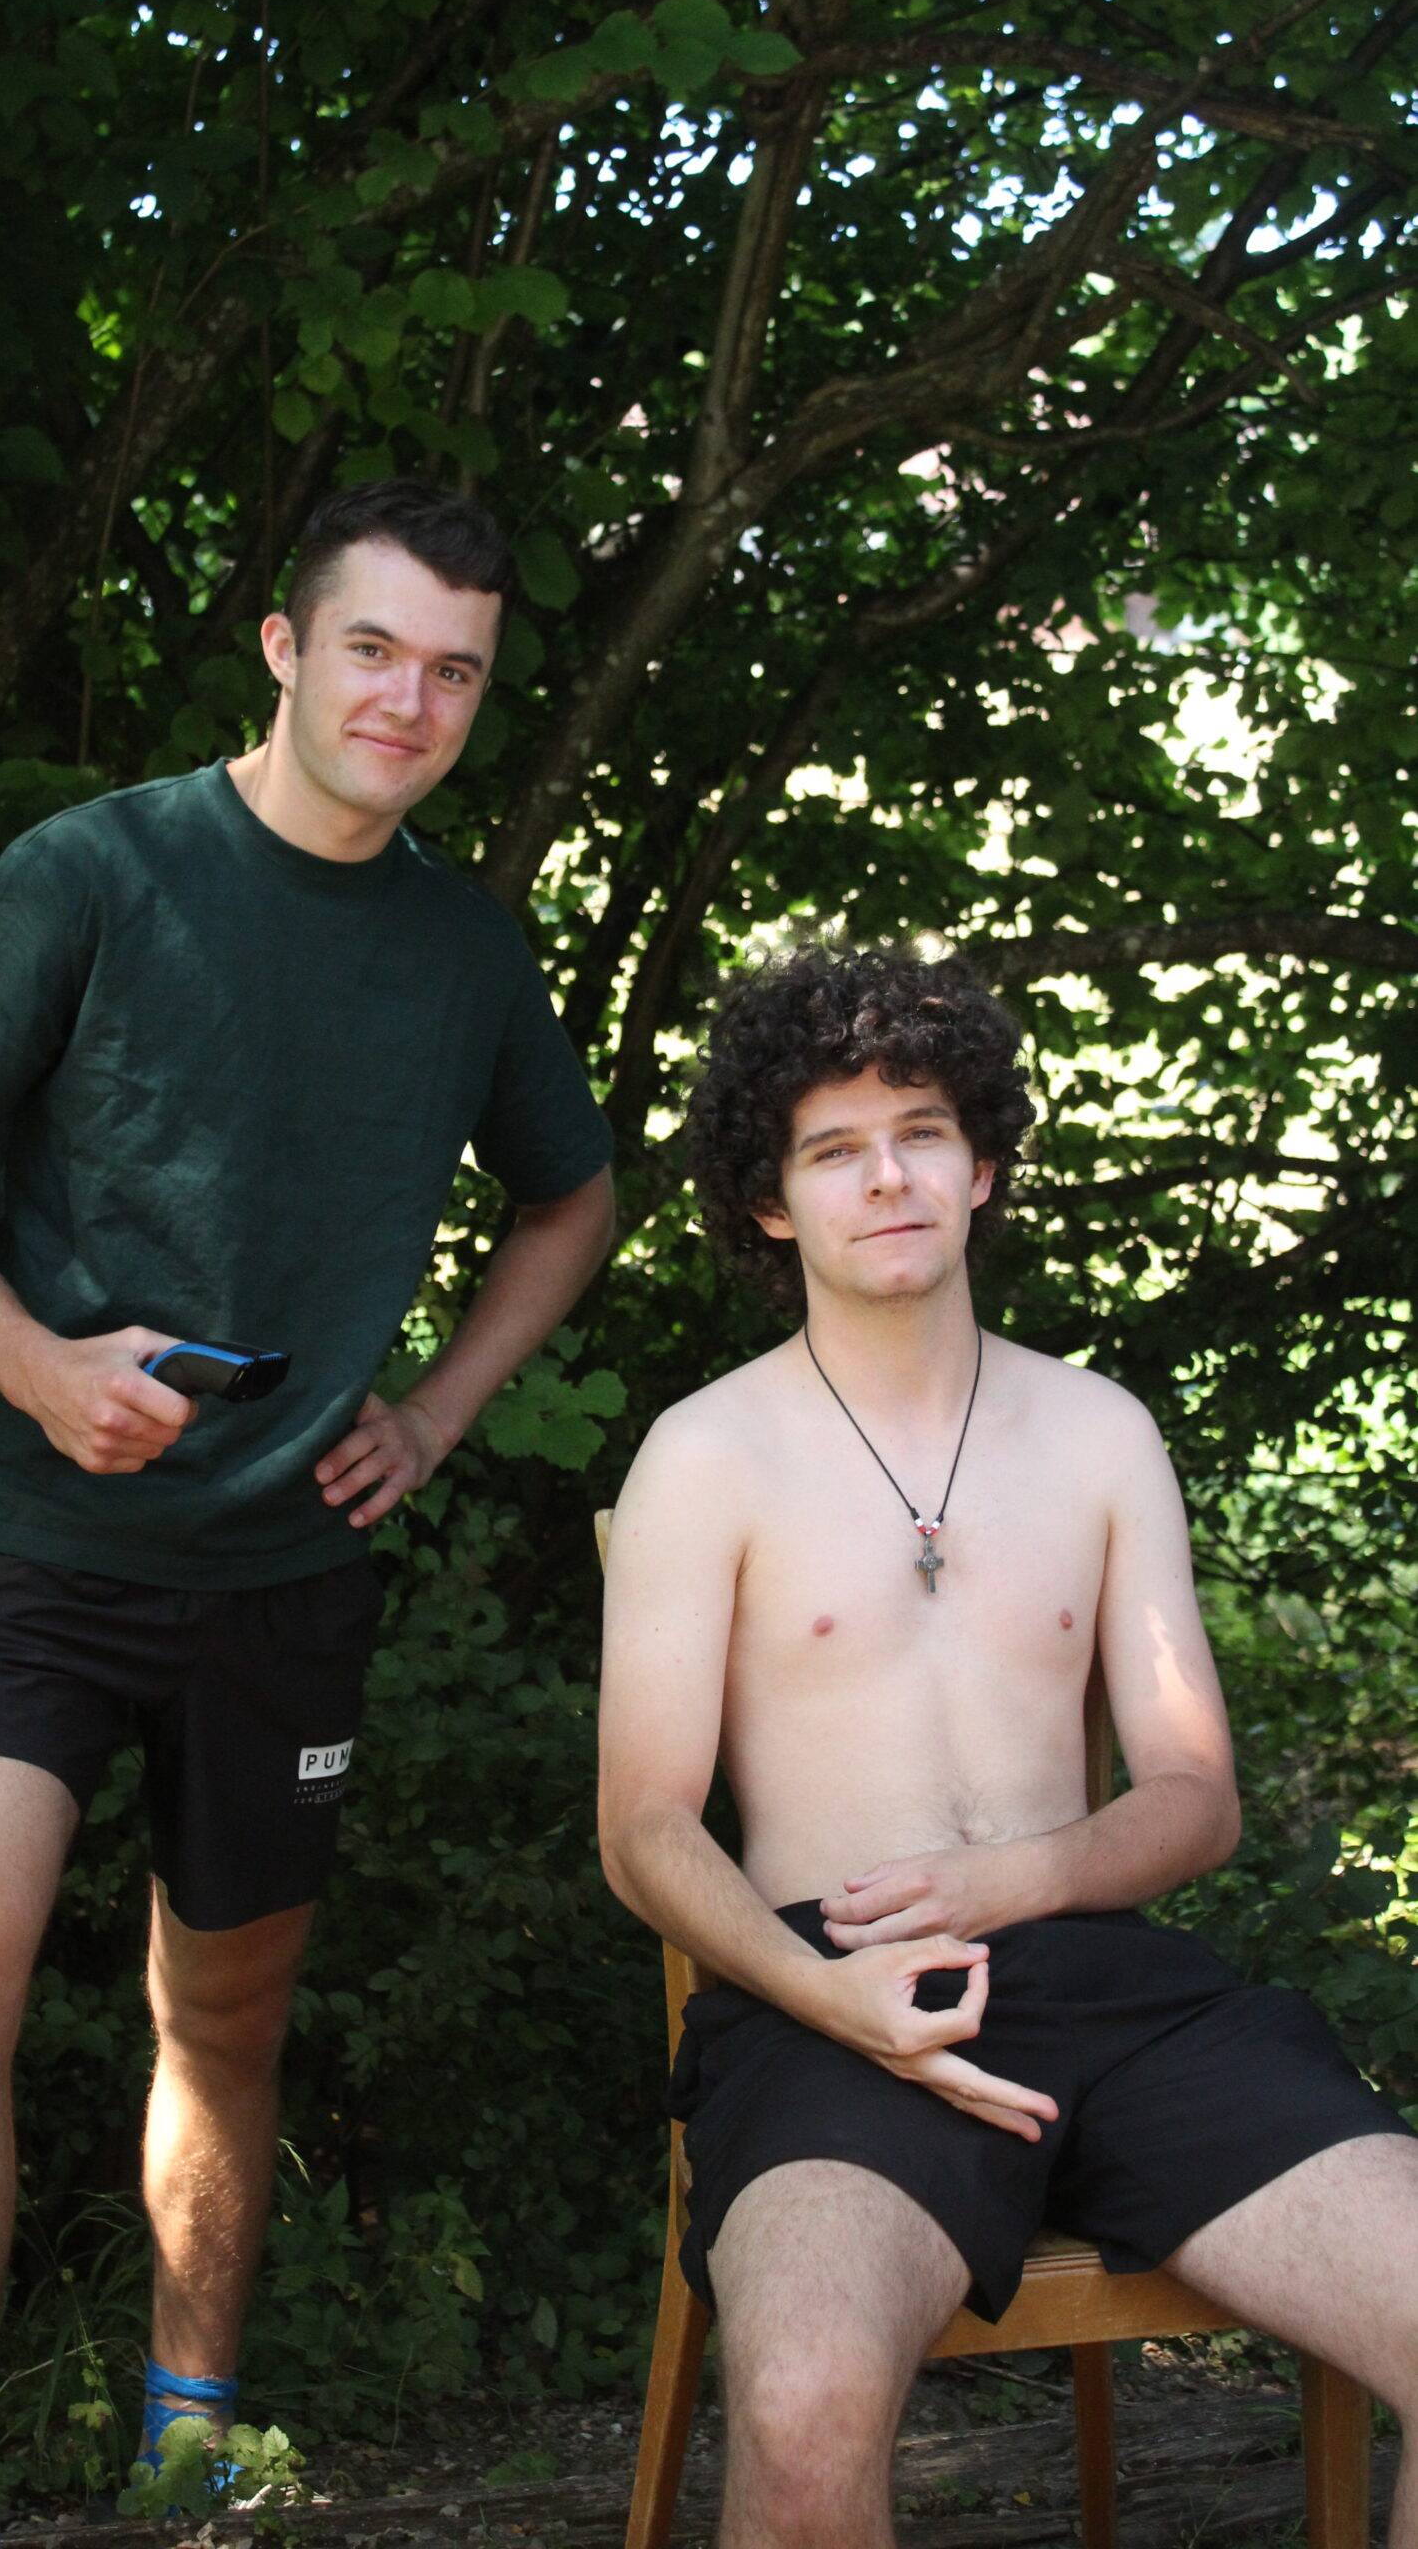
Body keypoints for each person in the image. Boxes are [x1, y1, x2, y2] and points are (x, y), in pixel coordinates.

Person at [0, 480, 616, 2549]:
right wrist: (34, 1361)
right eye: (372, 649)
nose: (409, 701)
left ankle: (189, 2454)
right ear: (283, 648)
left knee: (227, 2017)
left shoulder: (462, 946)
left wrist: (435, 1412)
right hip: (35, 1543)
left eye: (454, 672)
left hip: (284, 1571)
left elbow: (574, 1195)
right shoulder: (97, 869)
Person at [597, 943, 1417, 2549]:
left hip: (1113, 1992)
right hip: (836, 2003)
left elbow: (1195, 1800)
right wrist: (826, 1989)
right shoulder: (708, 1456)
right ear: (771, 1203)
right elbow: (643, 1829)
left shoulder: (1099, 1433)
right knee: (803, 2405)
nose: (886, 1176)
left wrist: (1018, 1878)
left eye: (922, 1131)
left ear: (981, 1165)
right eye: (834, 1149)